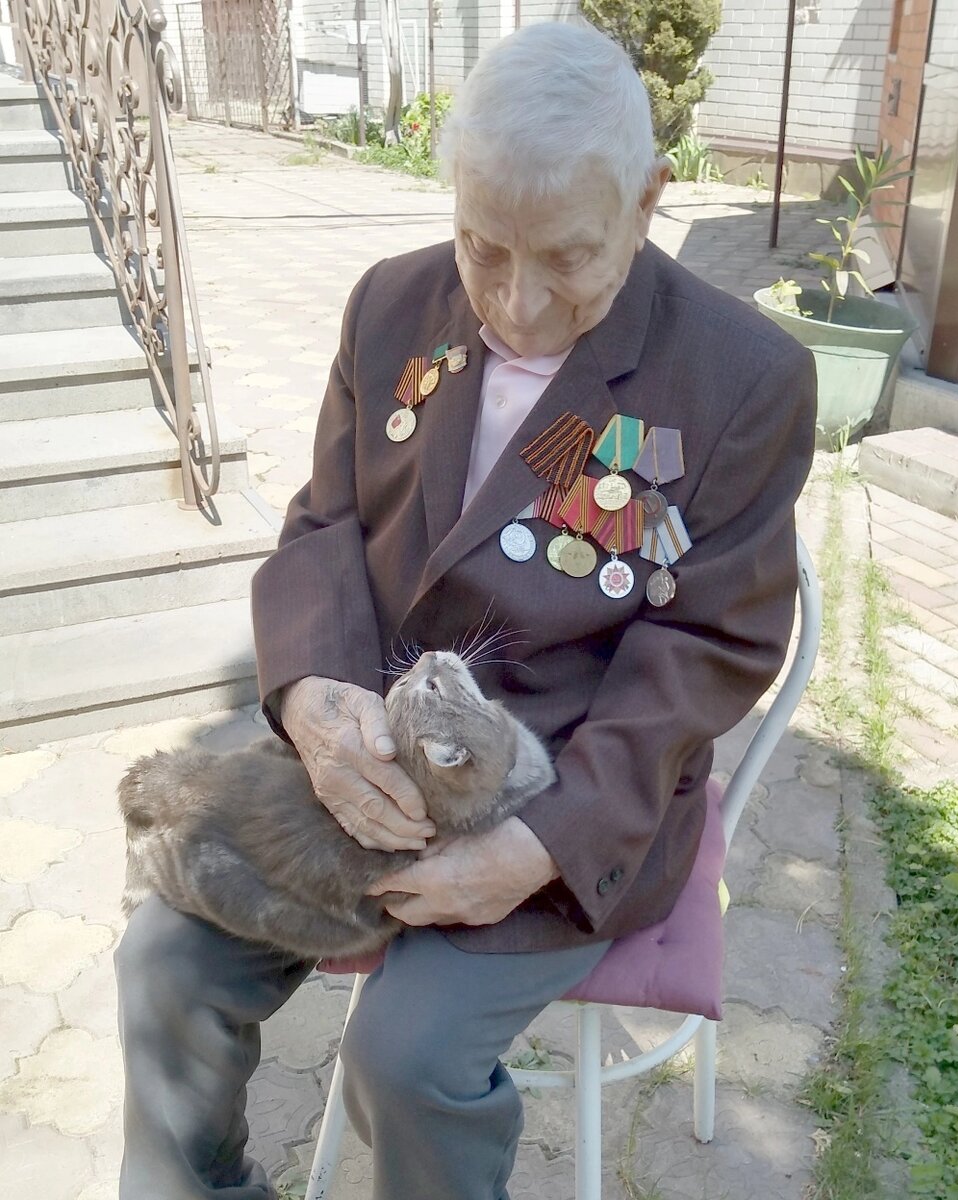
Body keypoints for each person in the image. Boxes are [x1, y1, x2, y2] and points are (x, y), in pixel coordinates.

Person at [114, 20, 816, 1200]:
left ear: (648, 197)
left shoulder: (742, 378)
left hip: (568, 790)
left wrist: (536, 846)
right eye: (481, 246)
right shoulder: (391, 304)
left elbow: (706, 648)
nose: (515, 305)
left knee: (407, 1056)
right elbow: (325, 524)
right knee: (161, 964)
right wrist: (313, 698)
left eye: (564, 259)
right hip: (365, 764)